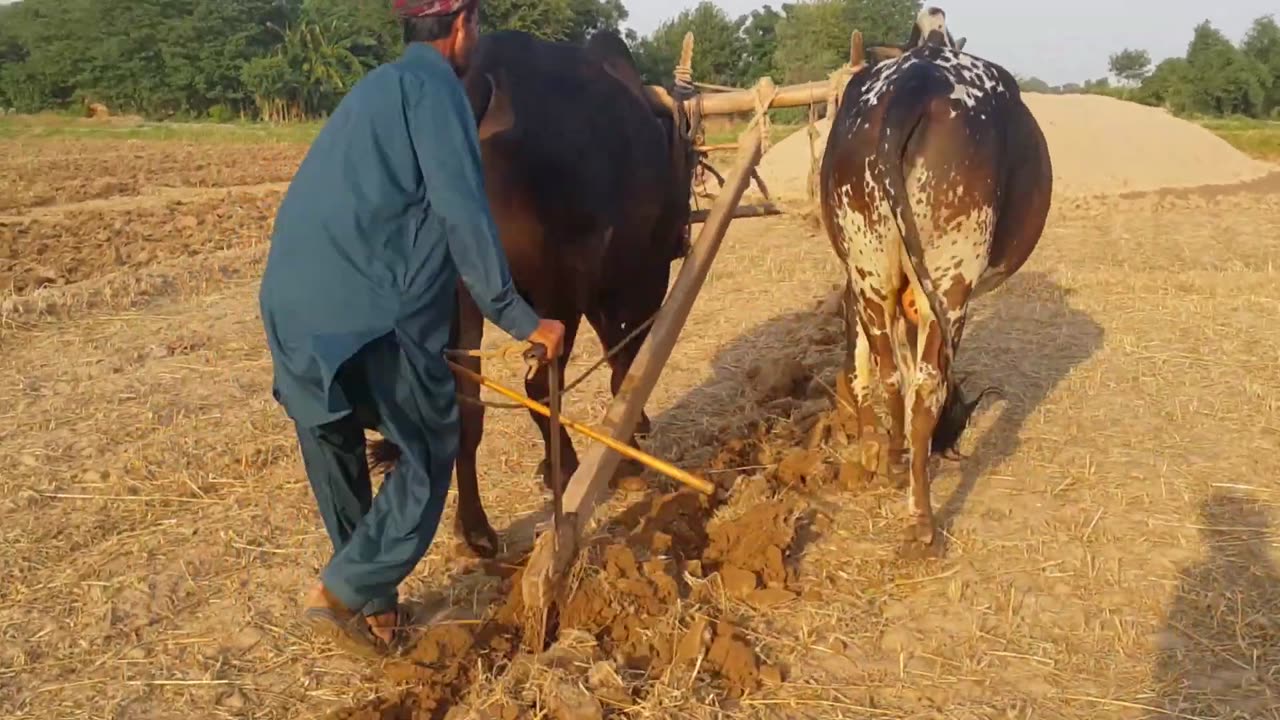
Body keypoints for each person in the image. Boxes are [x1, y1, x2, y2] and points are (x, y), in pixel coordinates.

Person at [257, 0, 564, 657]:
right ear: (460, 27)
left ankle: (372, 608)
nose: (475, 39)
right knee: (426, 450)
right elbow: (462, 213)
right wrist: (521, 319)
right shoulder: (437, 92)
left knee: (336, 446)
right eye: (475, 27)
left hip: (288, 306)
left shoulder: (372, 91)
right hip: (367, 311)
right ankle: (342, 589)